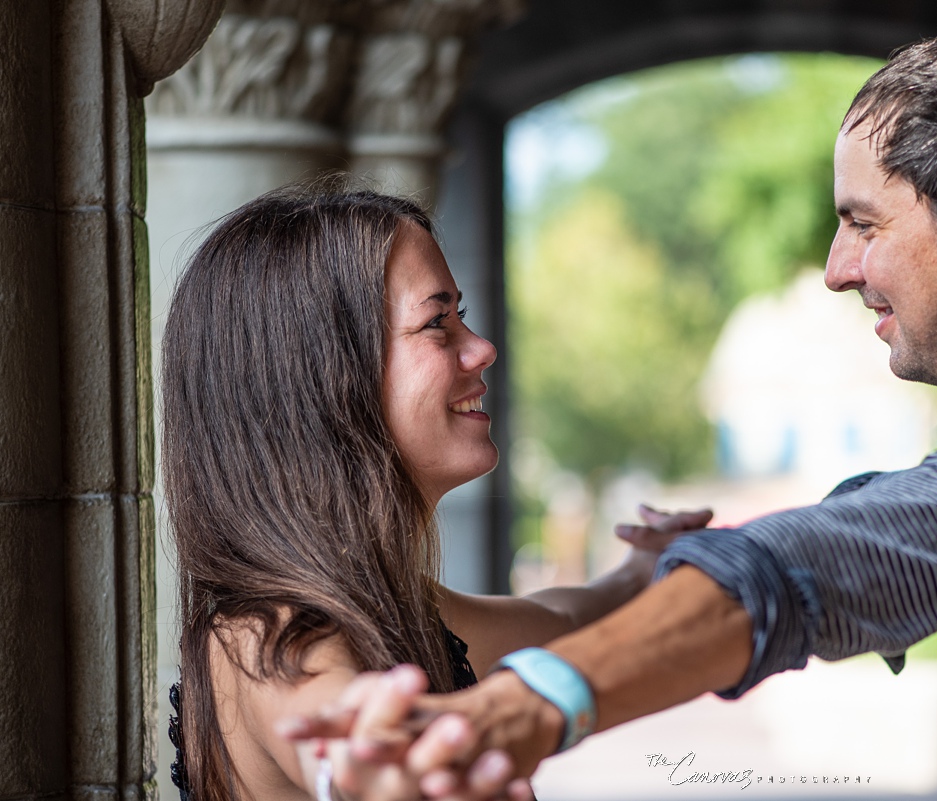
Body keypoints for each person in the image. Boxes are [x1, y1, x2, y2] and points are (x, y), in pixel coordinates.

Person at [287, 19, 937, 801]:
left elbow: (818, 565)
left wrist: (518, 709)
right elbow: (911, 516)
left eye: (866, 223)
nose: (839, 267)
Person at [160, 181, 708, 801]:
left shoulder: (402, 605)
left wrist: (642, 567)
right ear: (321, 379)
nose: (482, 348)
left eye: (463, 315)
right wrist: (387, 763)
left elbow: (562, 616)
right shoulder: (269, 634)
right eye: (436, 322)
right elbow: (340, 741)